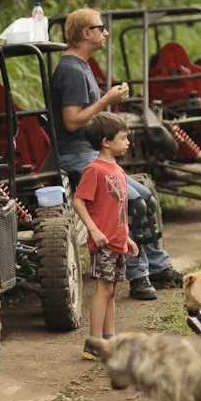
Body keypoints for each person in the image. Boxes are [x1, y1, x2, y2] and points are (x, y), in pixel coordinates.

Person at [51, 7, 185, 301]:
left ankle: (159, 267)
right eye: (101, 28)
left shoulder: (82, 66)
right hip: (77, 155)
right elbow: (73, 121)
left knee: (146, 197)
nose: (106, 33)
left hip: (92, 151)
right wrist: (107, 99)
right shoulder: (71, 70)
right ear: (86, 33)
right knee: (133, 201)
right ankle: (139, 277)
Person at [74, 112, 140, 360]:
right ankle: (94, 342)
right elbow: (78, 201)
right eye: (123, 138)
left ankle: (110, 338)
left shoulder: (117, 171)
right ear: (106, 141)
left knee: (112, 290)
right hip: (103, 242)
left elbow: (119, 210)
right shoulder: (95, 170)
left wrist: (128, 237)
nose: (128, 142)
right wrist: (93, 229)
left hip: (118, 241)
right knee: (102, 289)